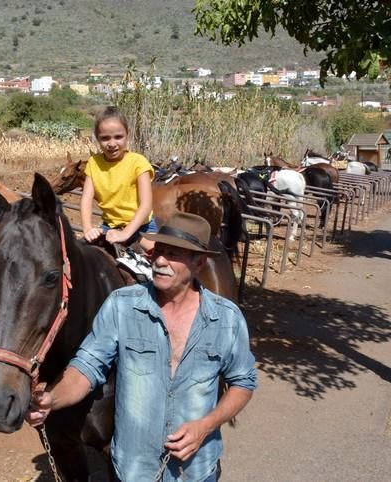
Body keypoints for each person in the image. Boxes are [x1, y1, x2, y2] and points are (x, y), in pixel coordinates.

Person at [26, 211, 257, 482]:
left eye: (174, 254)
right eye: (158, 251)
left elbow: (243, 382)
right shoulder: (122, 305)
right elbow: (86, 366)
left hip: (196, 471)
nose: (159, 260)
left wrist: (205, 427)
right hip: (134, 472)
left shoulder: (227, 318)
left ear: (200, 262)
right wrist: (52, 398)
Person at [81, 106, 156, 252]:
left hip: (141, 227)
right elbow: (86, 199)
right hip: (110, 226)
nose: (112, 143)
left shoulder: (138, 162)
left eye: (118, 137)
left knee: (158, 262)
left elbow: (146, 205)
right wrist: (88, 228)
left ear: (127, 135)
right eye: (105, 138)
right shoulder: (93, 163)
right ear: (97, 138)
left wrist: (125, 233)